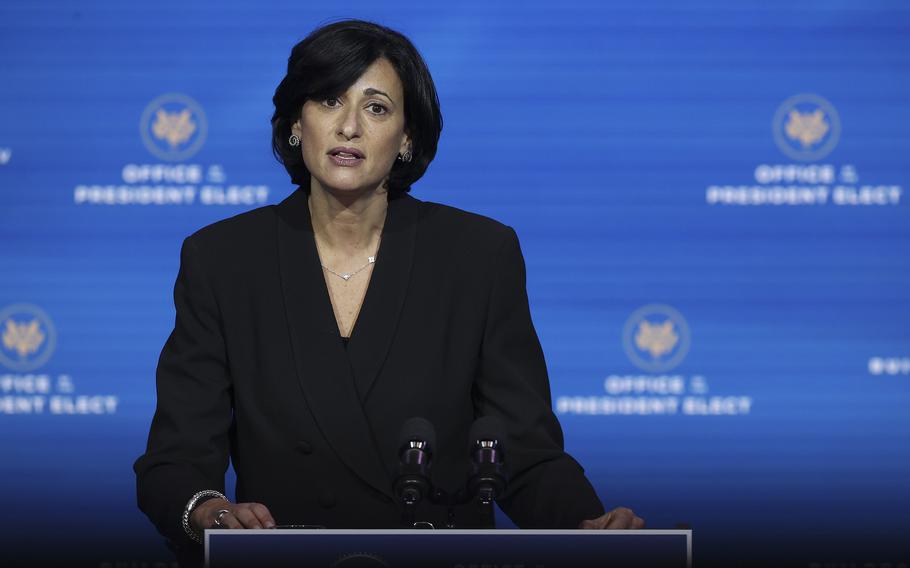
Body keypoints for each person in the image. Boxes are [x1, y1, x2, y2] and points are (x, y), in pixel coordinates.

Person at [133, 19, 644, 567]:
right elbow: (176, 458)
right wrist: (206, 510)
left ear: (406, 138)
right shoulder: (224, 259)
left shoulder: (477, 255)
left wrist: (589, 526)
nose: (349, 127)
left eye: (376, 108)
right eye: (329, 101)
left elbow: (520, 449)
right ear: (295, 125)